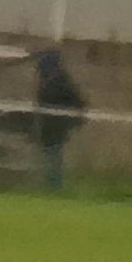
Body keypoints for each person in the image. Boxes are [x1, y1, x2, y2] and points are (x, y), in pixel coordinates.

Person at [36, 50, 86, 191]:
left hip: (54, 125)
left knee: (53, 154)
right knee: (52, 154)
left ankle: (53, 185)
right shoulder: (56, 78)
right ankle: (52, 184)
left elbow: (74, 101)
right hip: (52, 124)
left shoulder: (56, 80)